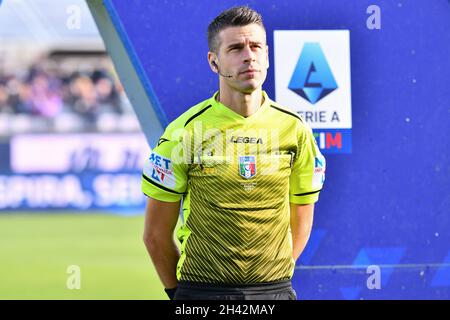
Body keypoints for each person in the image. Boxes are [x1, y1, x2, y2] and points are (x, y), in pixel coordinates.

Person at [142, 6, 326, 300]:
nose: (248, 56)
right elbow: (155, 236)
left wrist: (271, 279)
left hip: (274, 293)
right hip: (202, 294)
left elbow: (301, 216)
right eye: (236, 48)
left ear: (267, 55)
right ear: (213, 62)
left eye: (256, 47)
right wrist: (182, 297)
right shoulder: (184, 133)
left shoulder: (295, 130)